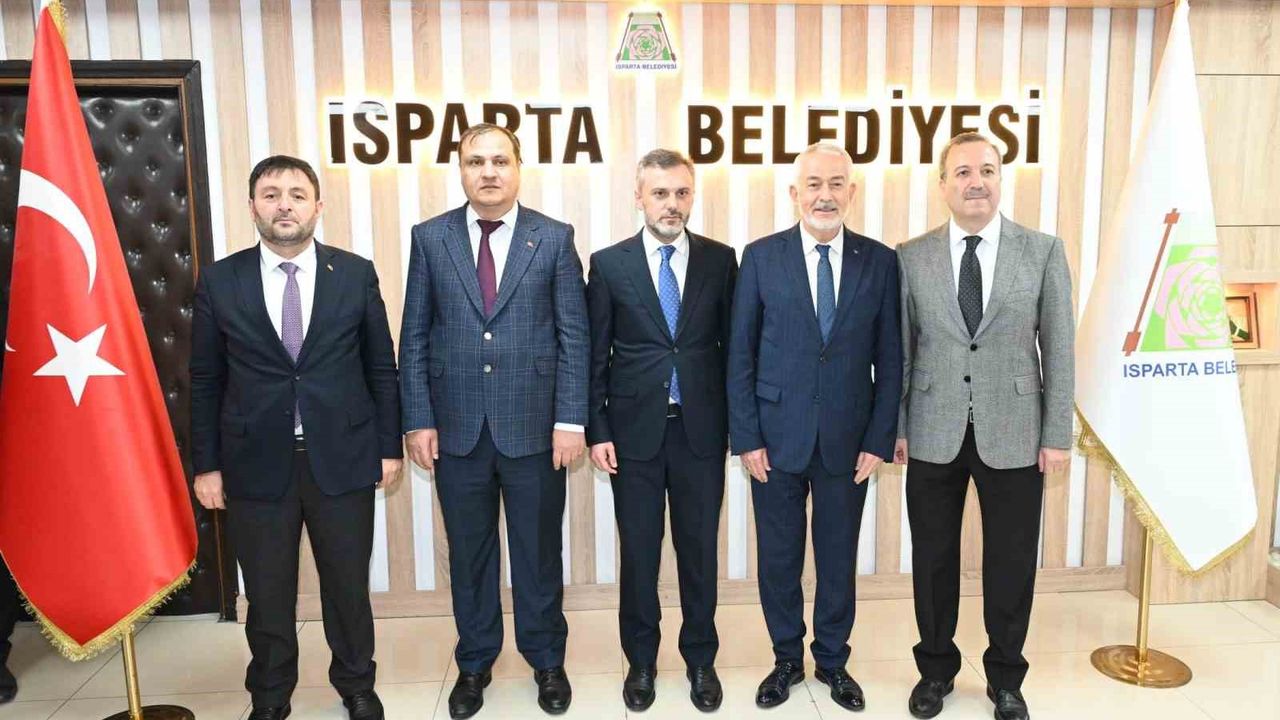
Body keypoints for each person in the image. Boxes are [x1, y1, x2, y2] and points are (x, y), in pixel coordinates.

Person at [190, 155, 402, 720]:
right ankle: (270, 695)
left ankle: (356, 684)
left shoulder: (354, 273)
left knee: (347, 588)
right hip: (254, 463)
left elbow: (381, 367)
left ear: (317, 206)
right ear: (252, 206)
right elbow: (206, 379)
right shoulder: (220, 279)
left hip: (343, 458)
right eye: (271, 194)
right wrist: (207, 465)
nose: (284, 204)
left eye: (297, 194)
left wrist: (388, 447)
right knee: (267, 593)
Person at [399, 123, 588, 719]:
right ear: (460, 170)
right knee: (470, 554)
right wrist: (417, 419)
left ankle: (547, 660)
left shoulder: (552, 237)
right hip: (456, 430)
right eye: (475, 161)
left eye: (499, 161)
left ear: (518, 168)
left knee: (538, 554)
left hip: (535, 429)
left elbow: (574, 335)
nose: (488, 172)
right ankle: (475, 662)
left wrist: (571, 419)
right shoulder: (429, 238)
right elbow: (415, 334)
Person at [895, 132, 1074, 720]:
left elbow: (1060, 349)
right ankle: (935, 671)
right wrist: (896, 426)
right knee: (933, 560)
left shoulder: (1042, 251)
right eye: (964, 172)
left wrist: (1056, 434)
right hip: (932, 428)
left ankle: (1006, 678)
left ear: (1001, 179)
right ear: (943, 184)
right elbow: (901, 350)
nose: (977, 182)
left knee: (1011, 561)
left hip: (1017, 431)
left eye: (988, 171)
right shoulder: (911, 255)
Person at [727, 142, 902, 712]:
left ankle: (831, 660)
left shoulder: (880, 261)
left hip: (849, 443)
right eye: (814, 184)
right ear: (794, 193)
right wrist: (746, 437)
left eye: (836, 184)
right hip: (774, 439)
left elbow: (891, 358)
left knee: (836, 558)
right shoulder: (760, 257)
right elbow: (740, 355)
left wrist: (878, 439)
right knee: (778, 559)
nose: (825, 195)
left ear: (852, 192)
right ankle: (786, 659)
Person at [586, 149, 736, 713]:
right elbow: (596, 356)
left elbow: (734, 352)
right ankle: (642, 662)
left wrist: (738, 429)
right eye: (660, 193)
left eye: (681, 193)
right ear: (639, 197)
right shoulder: (609, 264)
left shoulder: (720, 260)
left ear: (692, 196)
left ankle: (700, 660)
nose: (671, 204)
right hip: (632, 437)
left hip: (701, 433)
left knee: (699, 553)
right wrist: (598, 428)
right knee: (640, 554)